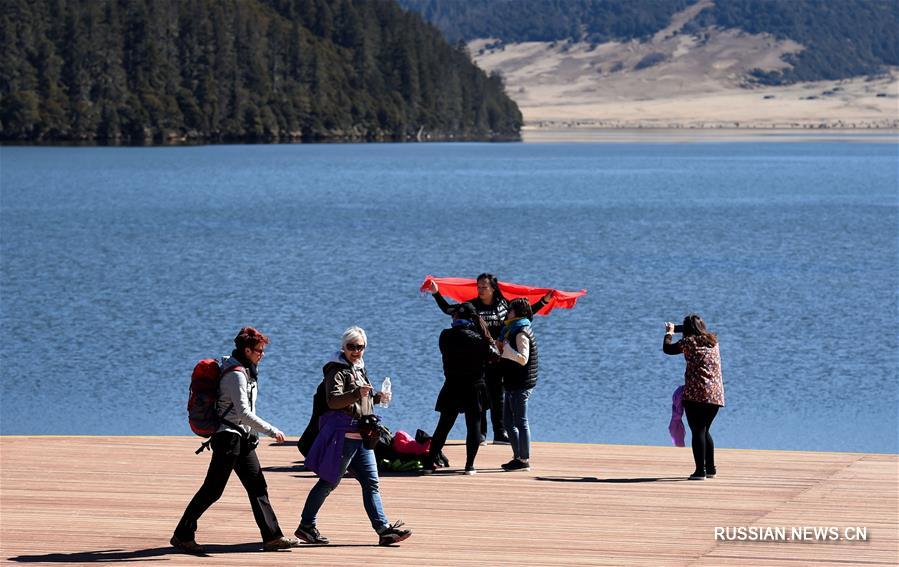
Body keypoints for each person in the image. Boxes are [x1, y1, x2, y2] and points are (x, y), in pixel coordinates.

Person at [172, 327, 299, 553]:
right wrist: (271, 430)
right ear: (247, 350)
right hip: (227, 439)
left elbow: (246, 412)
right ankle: (182, 535)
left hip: (242, 438)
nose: (262, 354)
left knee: (258, 485)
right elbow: (243, 413)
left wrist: (253, 434)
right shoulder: (235, 374)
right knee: (212, 490)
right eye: (259, 350)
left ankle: (272, 537)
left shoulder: (248, 370)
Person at [296, 326, 412, 546]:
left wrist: (377, 398)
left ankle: (383, 529)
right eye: (351, 347)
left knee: (371, 483)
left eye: (360, 347)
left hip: (362, 436)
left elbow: (361, 402)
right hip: (344, 436)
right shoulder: (336, 370)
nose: (356, 351)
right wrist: (357, 393)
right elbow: (333, 401)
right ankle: (306, 526)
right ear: (343, 347)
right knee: (329, 482)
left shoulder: (358, 368)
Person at [429, 274, 550, 444]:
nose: (480, 290)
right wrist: (436, 293)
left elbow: (525, 315)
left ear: (493, 288)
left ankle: (499, 433)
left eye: (484, 287)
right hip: (478, 357)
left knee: (497, 395)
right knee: (480, 396)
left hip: (499, 357)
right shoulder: (472, 306)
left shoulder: (503, 306)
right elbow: (448, 309)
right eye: (478, 287)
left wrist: (544, 301)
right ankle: (480, 433)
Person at [425, 302, 496, 475]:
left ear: (456, 317)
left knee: (443, 426)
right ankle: (469, 466)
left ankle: (429, 464)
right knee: (474, 426)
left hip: (452, 385)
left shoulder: (445, 336)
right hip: (475, 386)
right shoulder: (480, 340)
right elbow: (494, 357)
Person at [663, 314, 725, 480]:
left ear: (689, 331)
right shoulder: (713, 342)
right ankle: (710, 469)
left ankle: (699, 472)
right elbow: (695, 330)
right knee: (704, 430)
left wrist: (669, 333)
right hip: (715, 396)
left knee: (697, 431)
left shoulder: (688, 342)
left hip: (696, 395)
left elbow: (668, 349)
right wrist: (677, 328)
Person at [497, 298, 539, 472]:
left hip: (521, 384)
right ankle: (517, 457)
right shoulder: (510, 329)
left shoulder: (521, 332)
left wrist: (506, 350)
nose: (507, 312)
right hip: (511, 382)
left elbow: (523, 359)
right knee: (507, 422)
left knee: (520, 422)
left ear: (518, 313)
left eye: (510, 310)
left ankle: (524, 459)